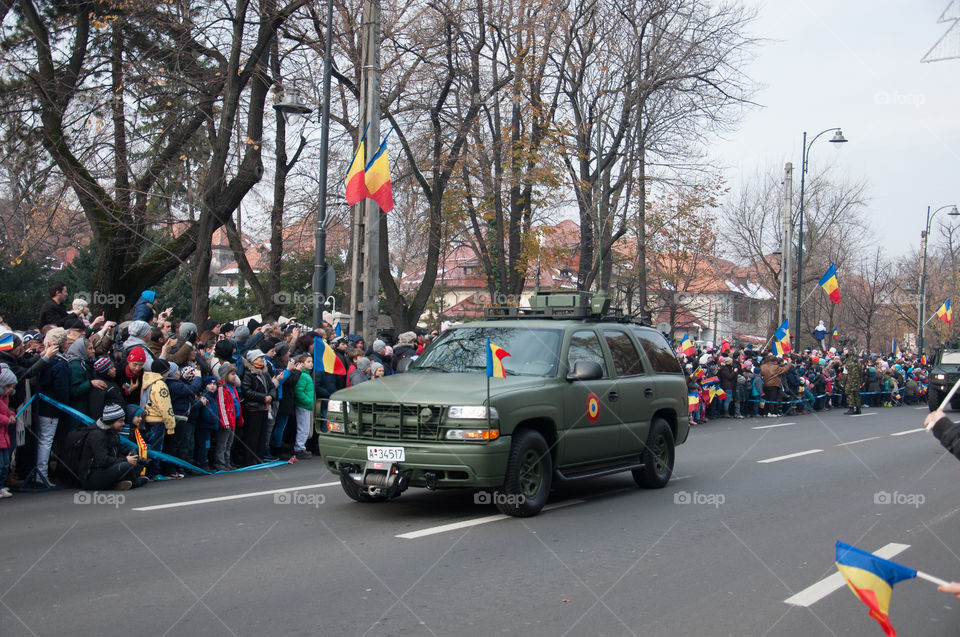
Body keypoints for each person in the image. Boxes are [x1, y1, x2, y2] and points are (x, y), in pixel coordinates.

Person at [78, 403, 147, 491]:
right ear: (111, 421)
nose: (123, 424)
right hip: (92, 476)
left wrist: (130, 457)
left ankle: (119, 483)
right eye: (120, 421)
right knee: (126, 466)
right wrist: (125, 460)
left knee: (138, 464)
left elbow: (116, 455)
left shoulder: (113, 432)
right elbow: (102, 460)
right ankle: (130, 482)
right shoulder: (97, 435)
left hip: (105, 470)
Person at [141, 358, 176, 479]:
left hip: (146, 418)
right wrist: (170, 425)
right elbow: (166, 407)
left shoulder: (147, 381)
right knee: (156, 448)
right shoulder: (160, 384)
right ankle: (154, 473)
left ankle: (146, 471)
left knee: (148, 446)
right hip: (157, 420)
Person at [214, 364, 242, 471]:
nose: (235, 376)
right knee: (222, 443)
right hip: (226, 421)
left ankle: (227, 462)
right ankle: (220, 462)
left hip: (233, 419)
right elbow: (221, 406)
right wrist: (224, 421)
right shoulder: (221, 388)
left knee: (229, 442)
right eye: (232, 374)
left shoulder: (233, 387)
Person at [292, 354, 314, 460]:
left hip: (307, 405)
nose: (311, 364)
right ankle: (299, 448)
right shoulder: (303, 375)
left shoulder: (307, 375)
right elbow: (298, 391)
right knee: (303, 428)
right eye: (308, 362)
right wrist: (307, 401)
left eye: (311, 362)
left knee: (305, 428)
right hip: (303, 405)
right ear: (302, 364)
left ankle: (301, 447)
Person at [0, 364, 17, 498]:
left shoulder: (4, 398)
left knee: (5, 463)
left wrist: (10, 414)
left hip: (4, 436)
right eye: (8, 387)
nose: (10, 390)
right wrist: (7, 419)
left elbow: (5, 410)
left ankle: (1, 485)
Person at [843, 350, 862, 415]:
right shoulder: (859, 363)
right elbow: (861, 373)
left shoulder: (847, 363)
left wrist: (843, 382)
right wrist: (860, 381)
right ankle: (858, 409)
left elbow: (845, 374)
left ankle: (851, 408)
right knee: (856, 395)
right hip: (857, 382)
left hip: (849, 382)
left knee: (849, 394)